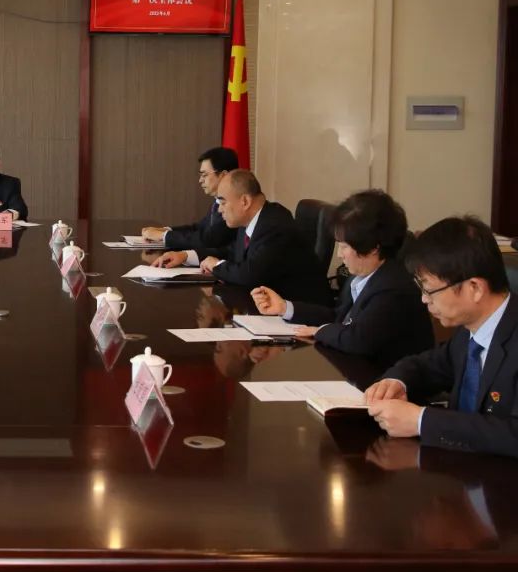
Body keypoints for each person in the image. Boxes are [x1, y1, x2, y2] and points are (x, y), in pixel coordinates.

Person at [365, 216, 518, 458]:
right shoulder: (470, 330)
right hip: (458, 469)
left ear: (475, 288)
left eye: (429, 290)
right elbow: (429, 365)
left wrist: (421, 421)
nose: (424, 299)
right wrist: (396, 381)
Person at [251, 190, 434, 367]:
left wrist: (320, 331)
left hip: (383, 379)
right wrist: (285, 307)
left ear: (373, 248)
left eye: (344, 246)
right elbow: (339, 318)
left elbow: (357, 339)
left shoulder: (393, 288)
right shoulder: (363, 276)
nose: (339, 254)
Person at [155, 170, 332, 306]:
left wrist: (216, 265)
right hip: (267, 305)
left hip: (301, 313)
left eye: (223, 202)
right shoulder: (252, 219)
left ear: (245, 201)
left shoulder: (275, 225)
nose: (219, 209)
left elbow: (250, 273)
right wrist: (186, 256)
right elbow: (231, 252)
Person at [142, 146, 238, 250]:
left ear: (223, 175)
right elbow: (198, 229)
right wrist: (166, 231)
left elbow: (208, 239)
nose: (200, 180)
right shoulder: (217, 203)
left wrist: (163, 236)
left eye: (204, 175)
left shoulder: (233, 206)